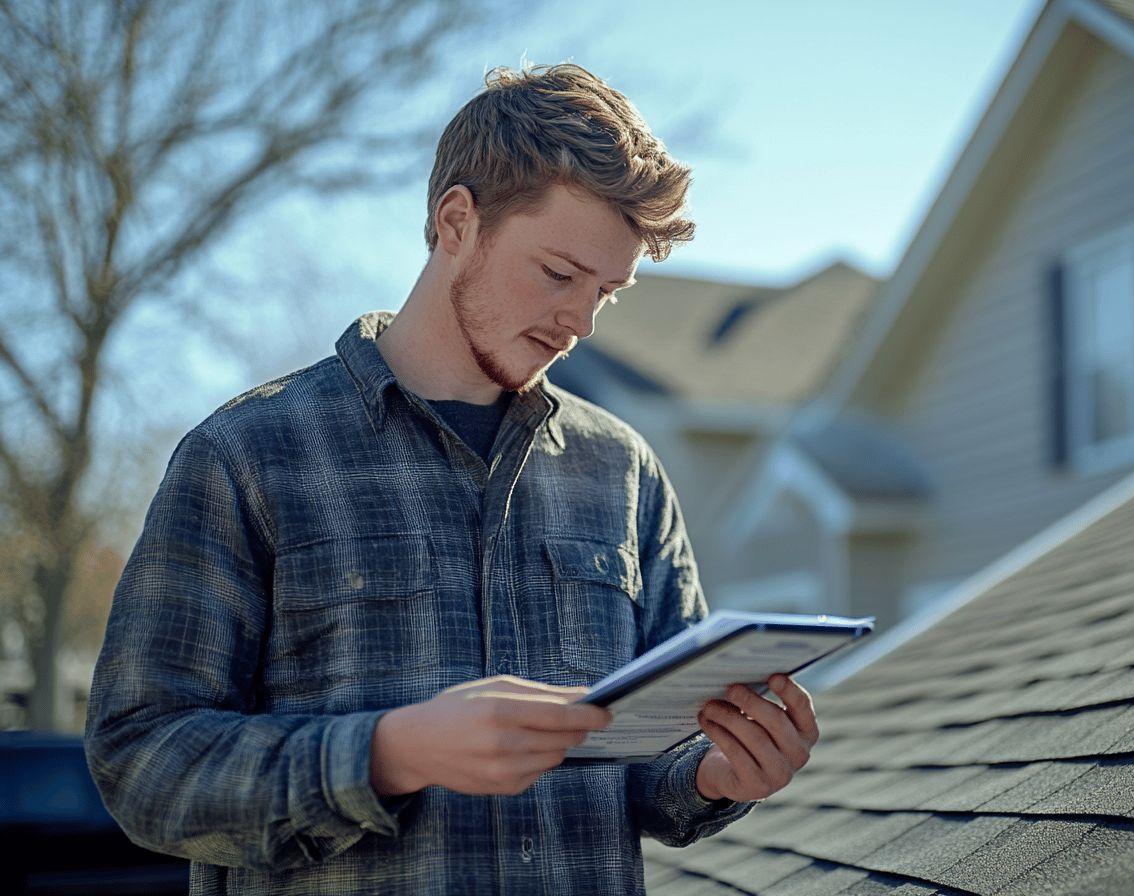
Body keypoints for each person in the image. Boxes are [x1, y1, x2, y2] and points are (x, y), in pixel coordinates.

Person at [84, 63, 820, 896]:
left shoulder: (622, 472)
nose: (579, 322)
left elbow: (656, 757)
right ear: (456, 221)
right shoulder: (248, 455)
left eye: (606, 294)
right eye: (558, 275)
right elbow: (141, 762)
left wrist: (719, 771)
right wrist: (390, 752)